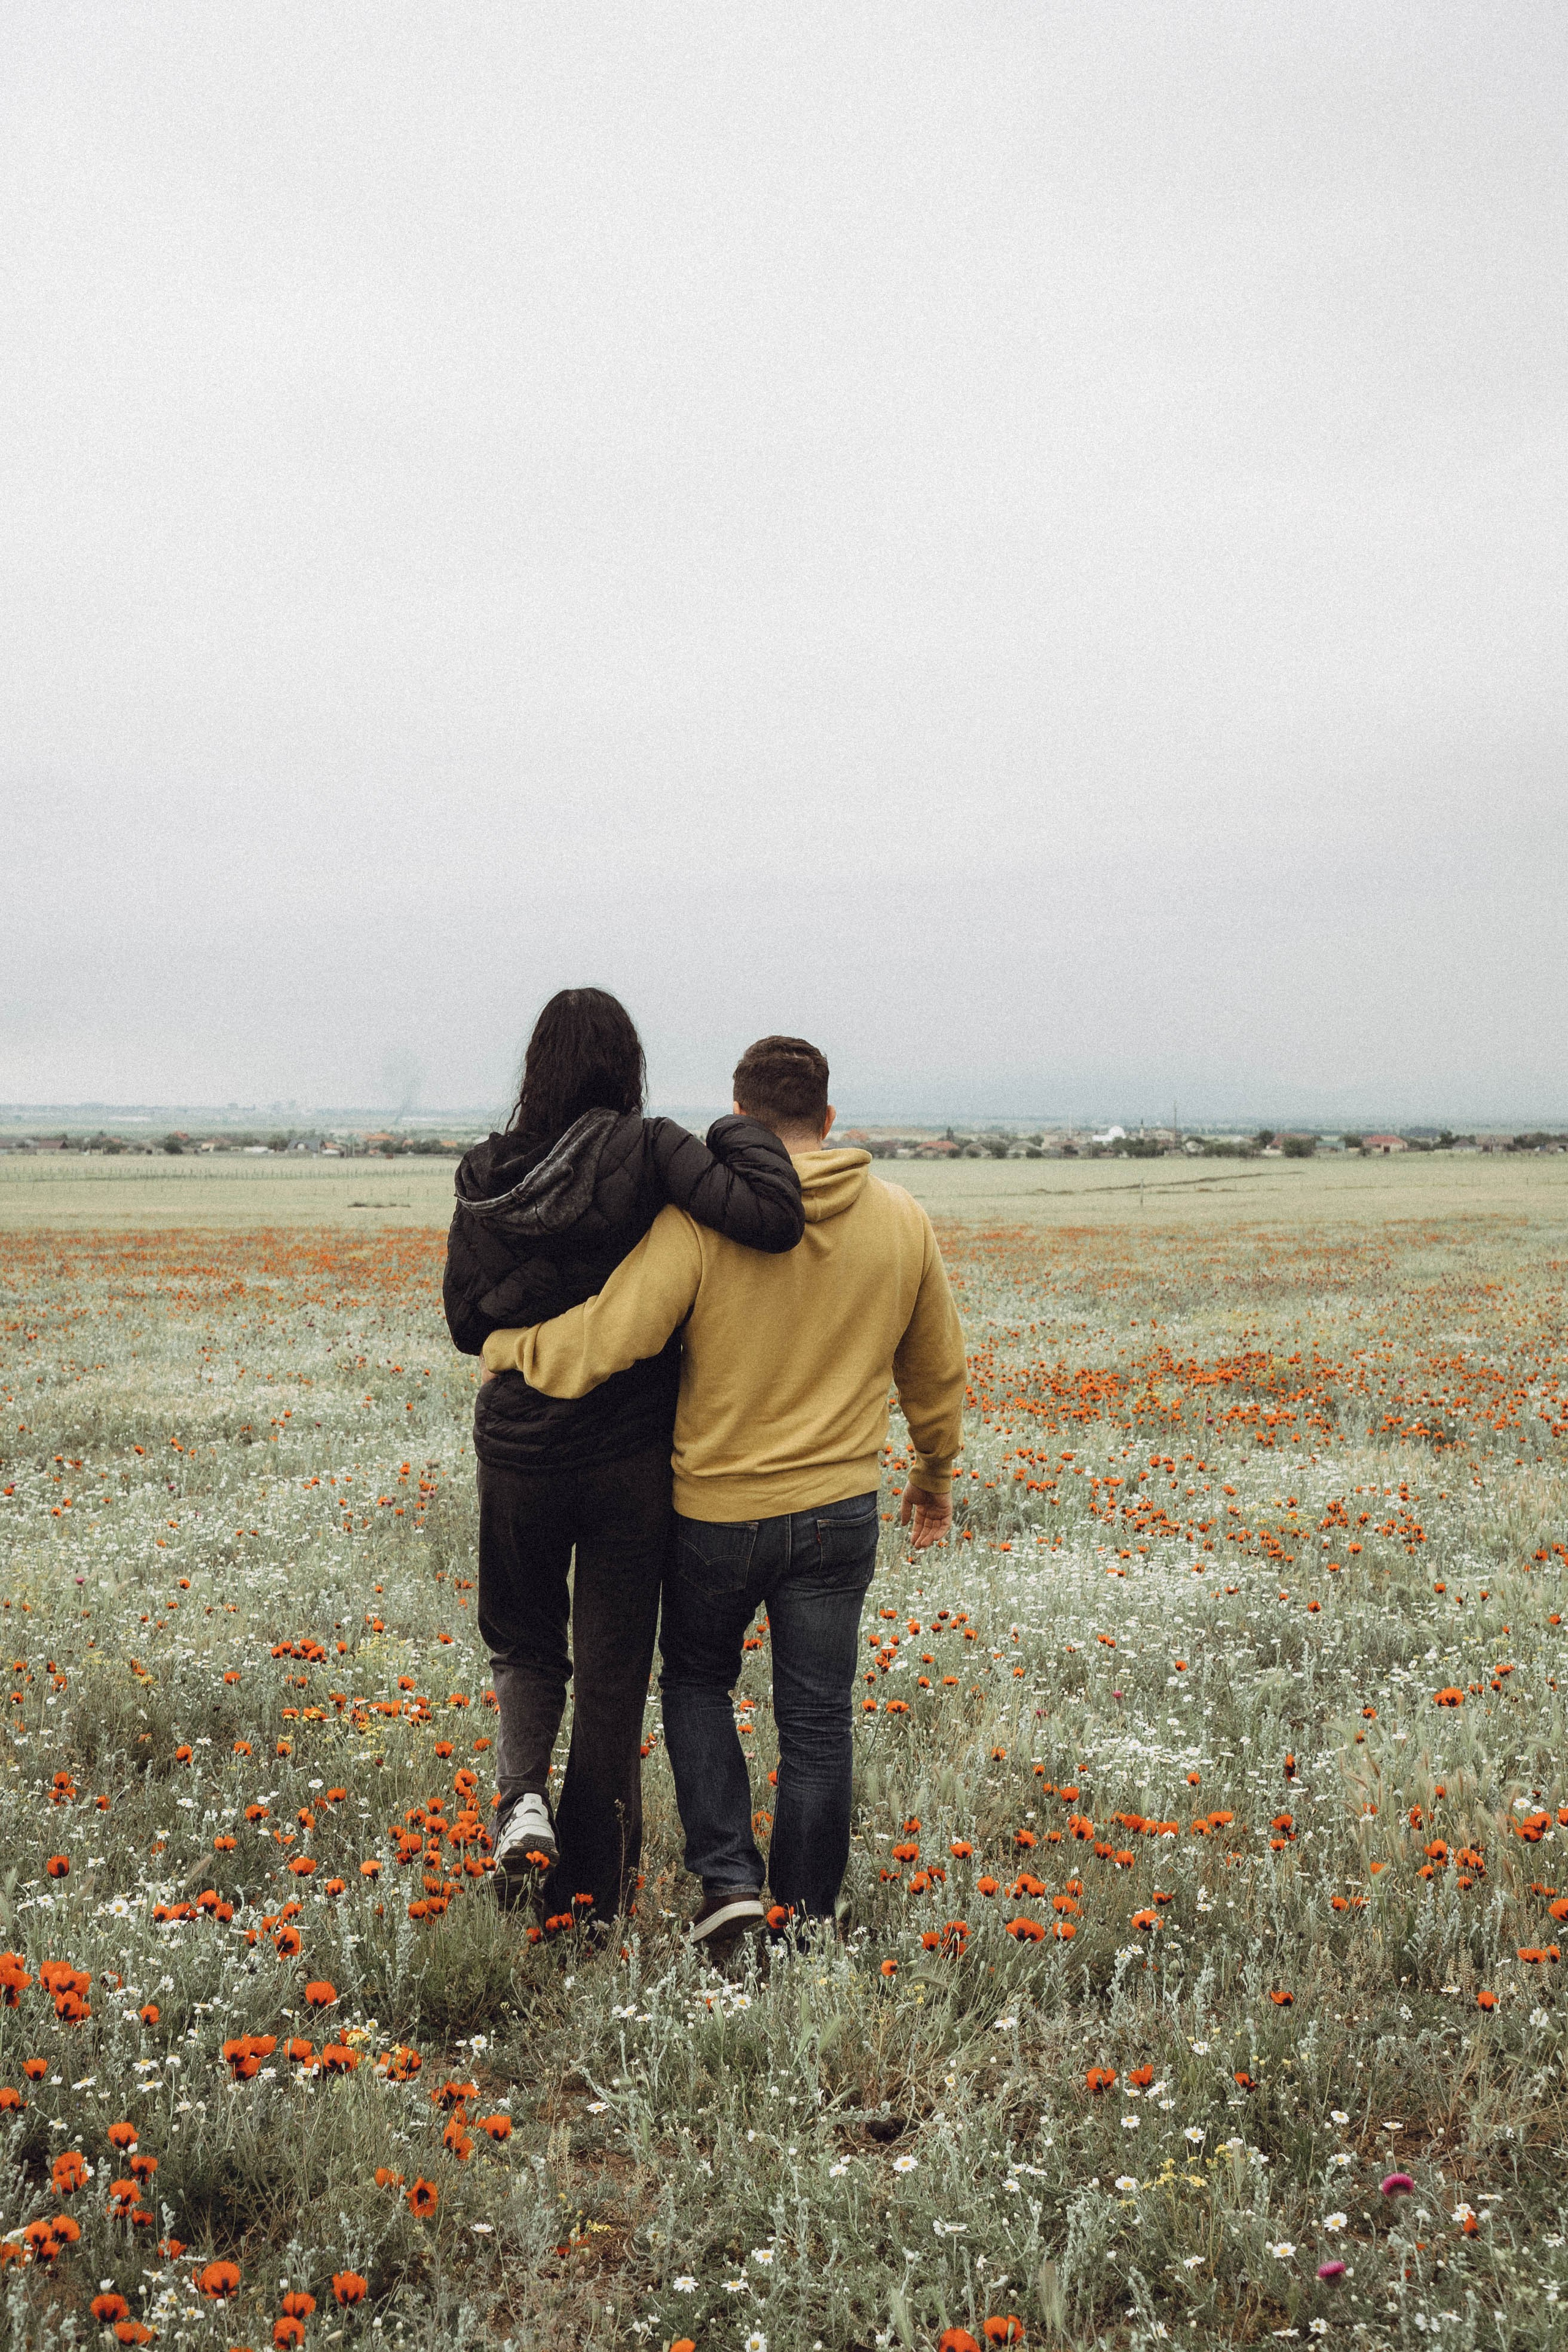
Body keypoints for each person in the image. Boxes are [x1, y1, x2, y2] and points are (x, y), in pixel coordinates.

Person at [480, 1034, 965, 1958]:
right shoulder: (902, 1218)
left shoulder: (705, 1222)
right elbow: (936, 1369)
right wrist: (933, 1475)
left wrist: (509, 1350)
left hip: (716, 1513)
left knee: (697, 1682)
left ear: (739, 1119)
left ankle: (731, 1886)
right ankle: (807, 1916)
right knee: (818, 1716)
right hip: (839, 1510)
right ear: (828, 1119)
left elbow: (610, 1338)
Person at [442, 989, 804, 1921]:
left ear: (537, 1066)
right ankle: (590, 1900)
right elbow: (770, 1216)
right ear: (626, 1064)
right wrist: (737, 1129)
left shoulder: (486, 1171)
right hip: (627, 1462)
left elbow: (462, 1323)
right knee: (612, 1676)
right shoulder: (651, 1149)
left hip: (519, 1450)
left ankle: (521, 1797)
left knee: (524, 1638)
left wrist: (532, 1296)